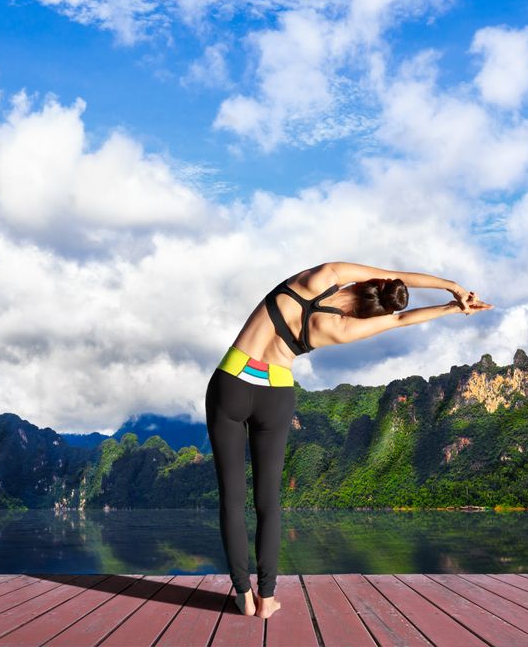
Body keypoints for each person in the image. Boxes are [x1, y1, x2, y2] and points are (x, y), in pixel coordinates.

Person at [204, 261, 493, 618]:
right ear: (370, 311)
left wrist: (451, 285)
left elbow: (394, 273)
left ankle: (243, 595)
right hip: (276, 392)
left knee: (231, 500)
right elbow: (402, 320)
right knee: (268, 503)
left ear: (371, 283)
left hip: (232, 379)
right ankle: (266, 599)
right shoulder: (339, 329)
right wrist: (452, 308)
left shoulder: (321, 277)